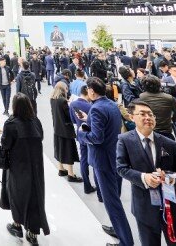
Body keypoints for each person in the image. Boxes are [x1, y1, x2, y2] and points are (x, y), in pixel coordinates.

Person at [116, 100, 176, 246]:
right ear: (131, 117)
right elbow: (121, 168)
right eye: (142, 114)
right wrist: (144, 177)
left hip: (173, 209)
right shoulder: (124, 140)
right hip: (144, 208)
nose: (148, 117)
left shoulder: (169, 143)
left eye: (151, 114)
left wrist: (170, 179)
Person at [77, 77, 133, 246]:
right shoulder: (112, 104)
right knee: (114, 197)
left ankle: (126, 241)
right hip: (114, 155)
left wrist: (81, 133)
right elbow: (106, 126)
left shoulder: (96, 109)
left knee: (111, 202)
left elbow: (97, 137)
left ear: (92, 91)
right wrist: (88, 120)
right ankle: (118, 229)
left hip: (103, 160)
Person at [0, 93, 49, 245]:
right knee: (35, 196)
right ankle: (33, 233)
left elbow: (5, 144)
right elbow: (41, 137)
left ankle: (17, 225)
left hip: (18, 166)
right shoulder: (36, 121)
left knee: (17, 195)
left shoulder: (11, 124)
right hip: (36, 166)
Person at [50, 82, 81, 182]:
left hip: (57, 128)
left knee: (60, 149)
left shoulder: (53, 99)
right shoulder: (63, 101)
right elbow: (69, 116)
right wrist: (70, 106)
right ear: (63, 89)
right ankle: (71, 175)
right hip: (66, 130)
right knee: (68, 151)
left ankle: (61, 169)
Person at [138, 76, 176, 140]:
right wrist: (170, 120)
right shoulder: (169, 98)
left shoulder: (142, 97)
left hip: (149, 130)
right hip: (166, 131)